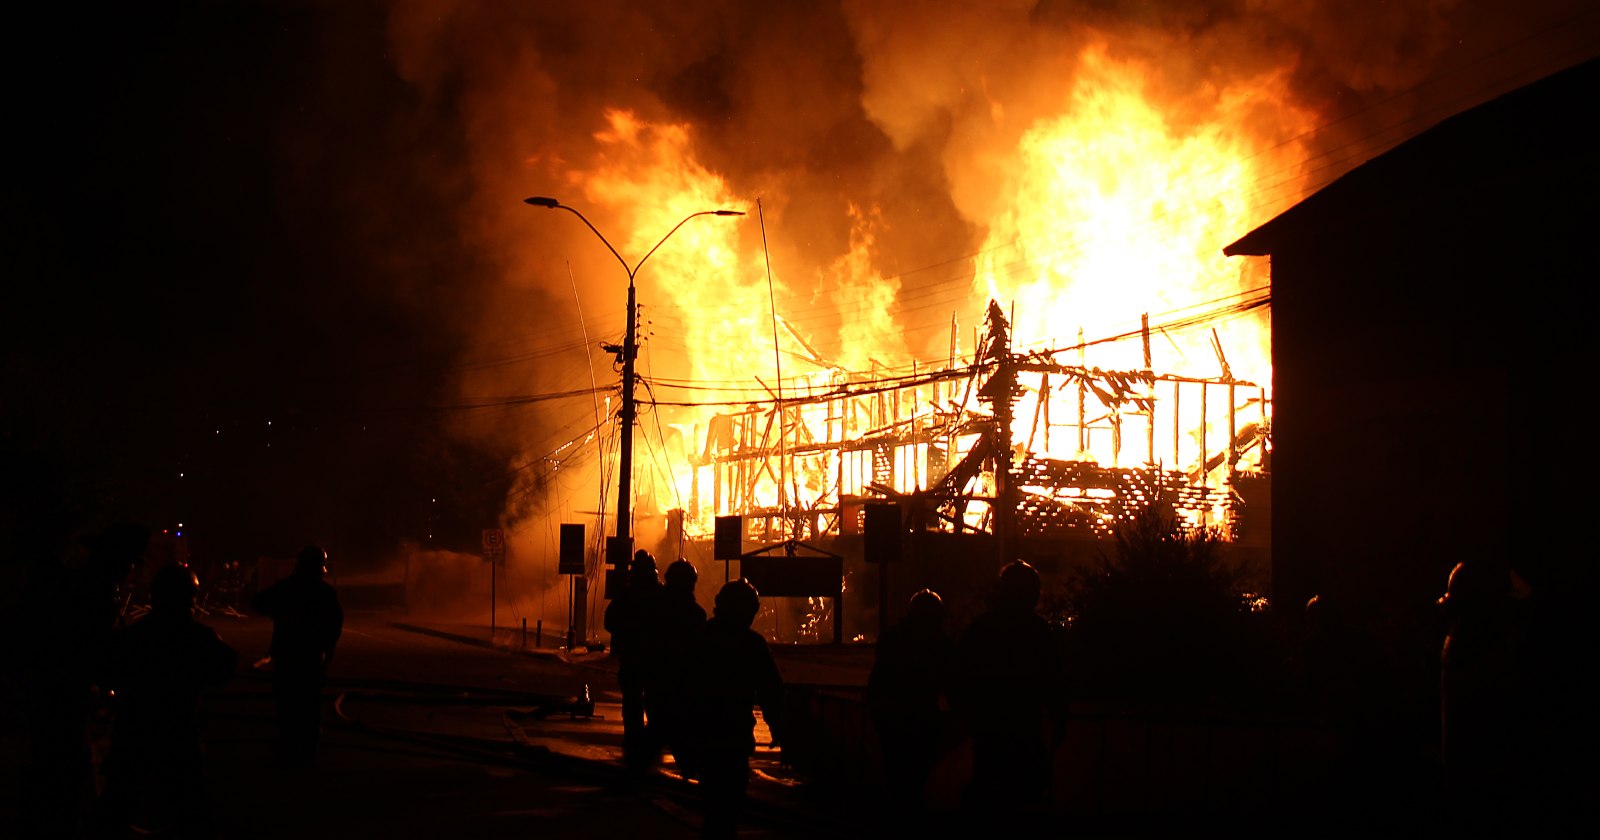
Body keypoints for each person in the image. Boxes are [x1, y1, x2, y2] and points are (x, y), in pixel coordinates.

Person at [18, 521, 149, 838]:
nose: (131, 568)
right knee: (62, 764)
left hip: (61, 693)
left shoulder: (90, 588)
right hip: (61, 694)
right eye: (129, 560)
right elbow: (88, 651)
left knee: (66, 762)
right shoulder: (90, 594)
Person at [92, 564, 237, 838]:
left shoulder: (132, 637)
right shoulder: (201, 639)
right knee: (189, 807)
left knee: (117, 805)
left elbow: (104, 673)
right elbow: (224, 672)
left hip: (133, 730)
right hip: (180, 732)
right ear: (189, 598)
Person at [949, 560, 1068, 827]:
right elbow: (1055, 680)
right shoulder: (1038, 632)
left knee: (991, 793)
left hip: (990, 731)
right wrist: (1060, 720)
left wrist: (965, 715)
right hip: (1024, 730)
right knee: (1024, 795)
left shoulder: (981, 629)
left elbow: (957, 675)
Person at [677, 578, 785, 840]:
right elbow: (771, 691)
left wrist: (683, 742)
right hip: (733, 738)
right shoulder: (752, 645)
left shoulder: (700, 639)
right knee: (729, 806)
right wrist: (779, 729)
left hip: (705, 735)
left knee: (713, 806)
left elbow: (681, 690)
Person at [250, 544, 343, 768]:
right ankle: (307, 751)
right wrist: (327, 652)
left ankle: (289, 747)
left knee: (287, 704)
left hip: (287, 658)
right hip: (312, 659)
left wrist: (280, 611)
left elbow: (258, 603)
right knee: (309, 705)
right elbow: (334, 627)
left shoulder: (286, 589)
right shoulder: (325, 594)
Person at [866, 588, 953, 818]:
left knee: (895, 767)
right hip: (920, 715)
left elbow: (878, 677)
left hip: (890, 714)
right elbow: (950, 681)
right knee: (917, 770)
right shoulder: (939, 643)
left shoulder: (892, 637)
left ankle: (898, 813)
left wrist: (873, 707)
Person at [644, 558, 708, 774]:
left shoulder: (653, 608)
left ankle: (637, 771)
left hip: (657, 682)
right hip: (680, 686)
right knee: (676, 732)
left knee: (659, 729)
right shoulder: (695, 615)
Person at [603, 549, 663, 771]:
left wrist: (627, 631)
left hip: (633, 658)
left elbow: (609, 622)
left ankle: (635, 740)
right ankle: (650, 743)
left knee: (632, 702)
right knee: (654, 702)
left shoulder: (626, 597)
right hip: (655, 660)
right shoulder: (661, 595)